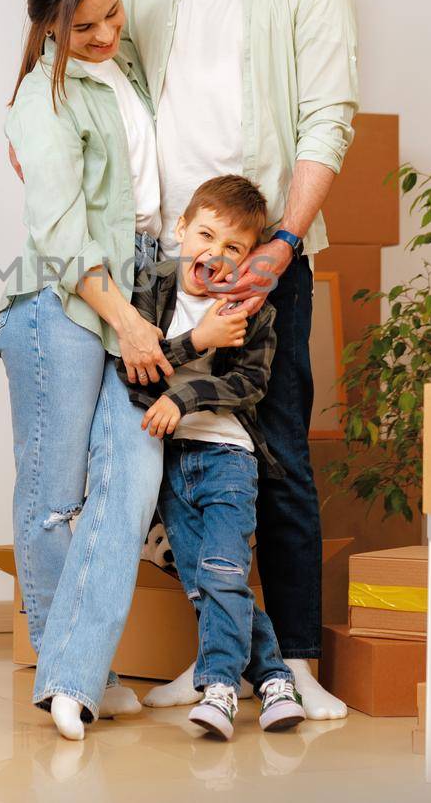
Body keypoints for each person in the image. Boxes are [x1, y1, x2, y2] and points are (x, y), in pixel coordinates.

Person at [121, 0, 360, 719]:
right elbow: (102, 83)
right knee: (181, 451)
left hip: (269, 261)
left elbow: (327, 121)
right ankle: (219, 657)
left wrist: (285, 244)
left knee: (276, 453)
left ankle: (294, 660)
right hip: (172, 266)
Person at [0, 0, 167, 740]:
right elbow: (64, 244)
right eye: (85, 27)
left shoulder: (123, 64)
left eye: (112, 13)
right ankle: (73, 669)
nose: (105, 35)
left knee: (130, 484)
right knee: (53, 499)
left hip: (136, 285)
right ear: (49, 26)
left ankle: (74, 666)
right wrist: (130, 320)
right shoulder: (41, 101)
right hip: (61, 304)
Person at [121, 175, 309, 740]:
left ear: (251, 257)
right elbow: (134, 375)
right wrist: (197, 341)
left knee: (226, 571)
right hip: (170, 465)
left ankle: (221, 688)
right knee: (205, 583)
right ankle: (274, 678)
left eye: (234, 248)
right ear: (181, 229)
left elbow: (250, 384)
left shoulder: (251, 309)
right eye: (205, 235)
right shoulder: (151, 290)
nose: (215, 254)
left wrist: (185, 395)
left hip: (228, 456)